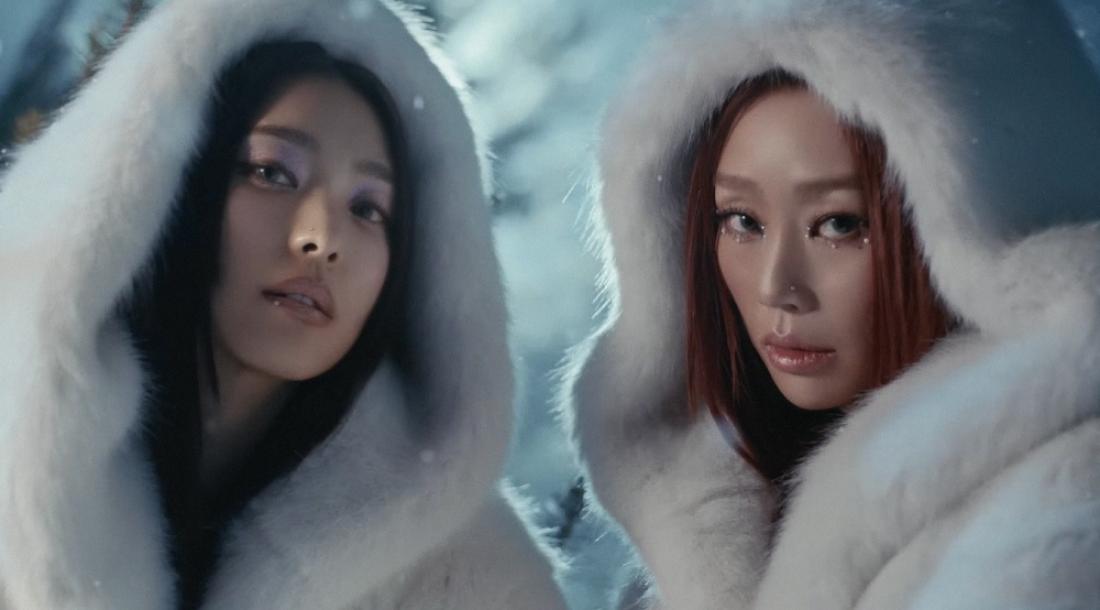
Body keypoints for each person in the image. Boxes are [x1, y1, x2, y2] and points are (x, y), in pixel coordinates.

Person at [0, 1, 567, 608]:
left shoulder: (477, 580)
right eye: (272, 173)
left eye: (368, 209)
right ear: (164, 187)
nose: (321, 238)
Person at [560, 1, 1100, 608]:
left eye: (839, 224)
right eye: (742, 221)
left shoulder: (1056, 536)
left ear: (976, 234)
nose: (777, 286)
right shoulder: (687, 557)